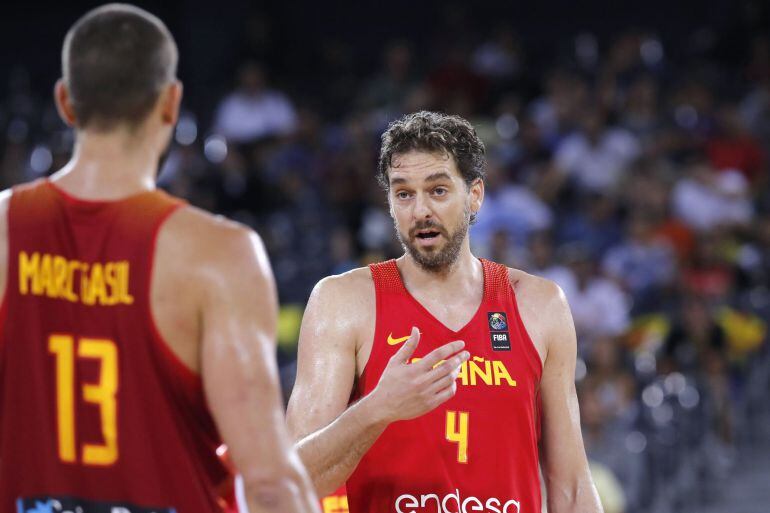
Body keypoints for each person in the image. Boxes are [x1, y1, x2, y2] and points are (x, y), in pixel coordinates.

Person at [0, 5, 318, 513]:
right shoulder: (218, 254)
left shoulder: (4, 228)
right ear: (171, 103)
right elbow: (267, 481)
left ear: (65, 102)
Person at [287, 111, 603, 513]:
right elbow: (289, 483)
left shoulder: (539, 306)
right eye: (404, 194)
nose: (420, 211)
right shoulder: (343, 302)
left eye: (437, 191)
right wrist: (376, 409)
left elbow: (573, 487)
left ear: (474, 195)